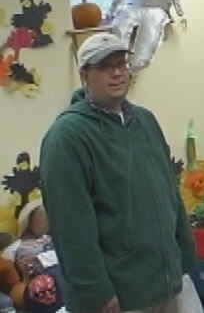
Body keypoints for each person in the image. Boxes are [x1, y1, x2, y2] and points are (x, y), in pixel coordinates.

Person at [40, 32, 195, 313]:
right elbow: (70, 226)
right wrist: (94, 290)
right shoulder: (68, 136)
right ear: (85, 76)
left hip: (165, 283)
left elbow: (169, 193)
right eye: (105, 66)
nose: (117, 73)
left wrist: (185, 254)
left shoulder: (145, 122)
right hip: (121, 295)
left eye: (121, 63)